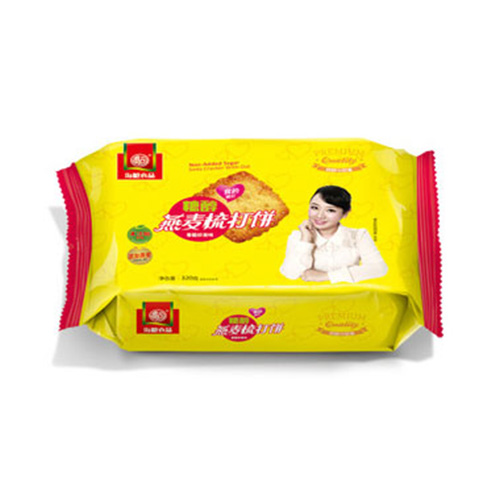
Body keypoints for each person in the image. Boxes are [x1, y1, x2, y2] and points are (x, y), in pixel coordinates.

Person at [279, 185, 388, 283]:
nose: (319, 215)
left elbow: (379, 268)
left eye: (330, 210)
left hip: (348, 296)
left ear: (345, 213)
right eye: (315, 208)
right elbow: (290, 274)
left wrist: (326, 276)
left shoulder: (358, 235)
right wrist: (306, 241)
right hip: (309, 297)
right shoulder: (298, 236)